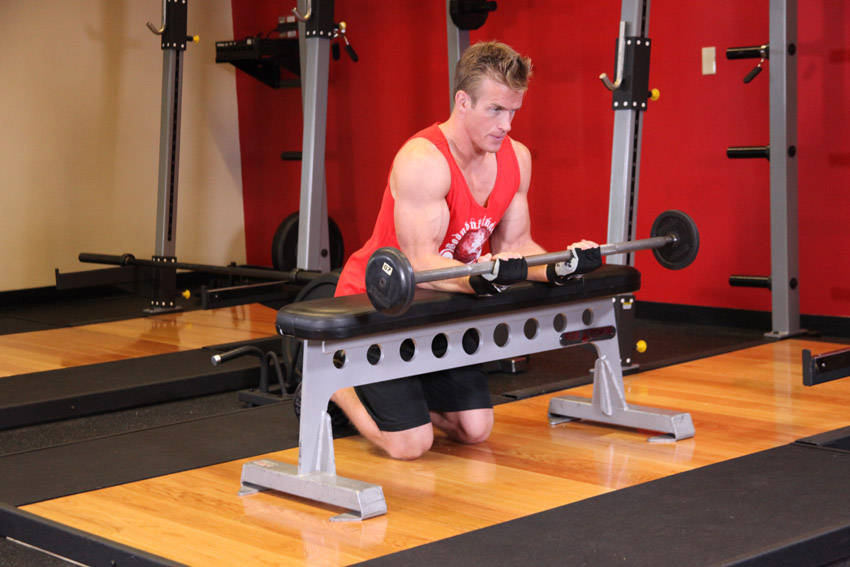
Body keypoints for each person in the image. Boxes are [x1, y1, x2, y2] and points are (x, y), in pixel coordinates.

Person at [330, 41, 599, 460]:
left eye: (513, 111)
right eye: (495, 110)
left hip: (440, 312)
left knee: (474, 429)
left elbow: (516, 247)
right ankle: (332, 384)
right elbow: (418, 264)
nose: (507, 124)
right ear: (462, 101)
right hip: (376, 310)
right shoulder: (423, 160)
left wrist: (563, 265)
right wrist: (483, 276)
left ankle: (406, 393)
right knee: (410, 445)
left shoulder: (517, 159)